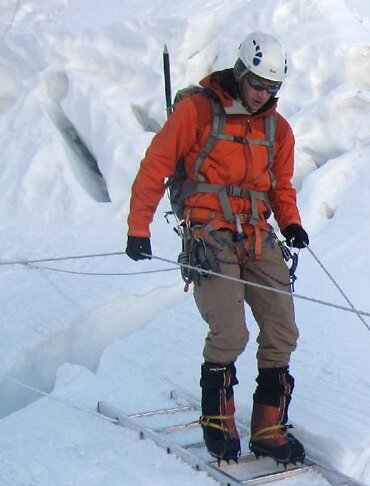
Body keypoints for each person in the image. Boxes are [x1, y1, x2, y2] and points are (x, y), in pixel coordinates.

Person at [125, 31, 309, 464]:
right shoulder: (196, 111)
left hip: (257, 233)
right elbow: (155, 167)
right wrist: (139, 227)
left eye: (273, 88)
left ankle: (268, 429)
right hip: (208, 232)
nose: (264, 95)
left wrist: (292, 223)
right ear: (241, 73)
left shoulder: (277, 130)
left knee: (282, 331)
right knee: (230, 332)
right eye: (258, 85)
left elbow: (280, 185)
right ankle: (217, 421)